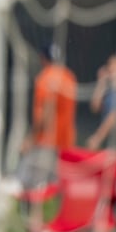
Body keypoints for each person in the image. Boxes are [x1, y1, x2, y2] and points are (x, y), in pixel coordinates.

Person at [17, 43, 77, 191]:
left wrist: (31, 138)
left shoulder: (45, 78)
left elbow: (47, 111)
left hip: (46, 140)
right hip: (65, 140)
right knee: (56, 186)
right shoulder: (69, 77)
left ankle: (34, 213)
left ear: (43, 58)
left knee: (31, 181)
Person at [86, 53, 116, 151]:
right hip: (115, 142)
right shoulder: (111, 91)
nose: (111, 71)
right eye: (110, 68)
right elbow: (95, 107)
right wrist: (101, 83)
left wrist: (97, 138)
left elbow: (114, 116)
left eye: (114, 68)